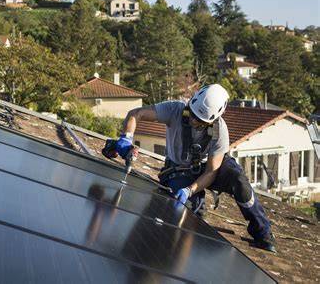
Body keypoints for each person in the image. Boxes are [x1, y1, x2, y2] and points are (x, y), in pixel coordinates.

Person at [114, 84, 277, 253]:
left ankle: (262, 232)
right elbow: (136, 114)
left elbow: (212, 171)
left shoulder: (220, 131)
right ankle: (196, 206)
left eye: (200, 122)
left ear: (212, 121)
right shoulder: (175, 110)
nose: (193, 121)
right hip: (178, 170)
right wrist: (126, 137)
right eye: (192, 115)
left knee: (238, 179)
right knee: (186, 214)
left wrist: (189, 190)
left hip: (208, 168)